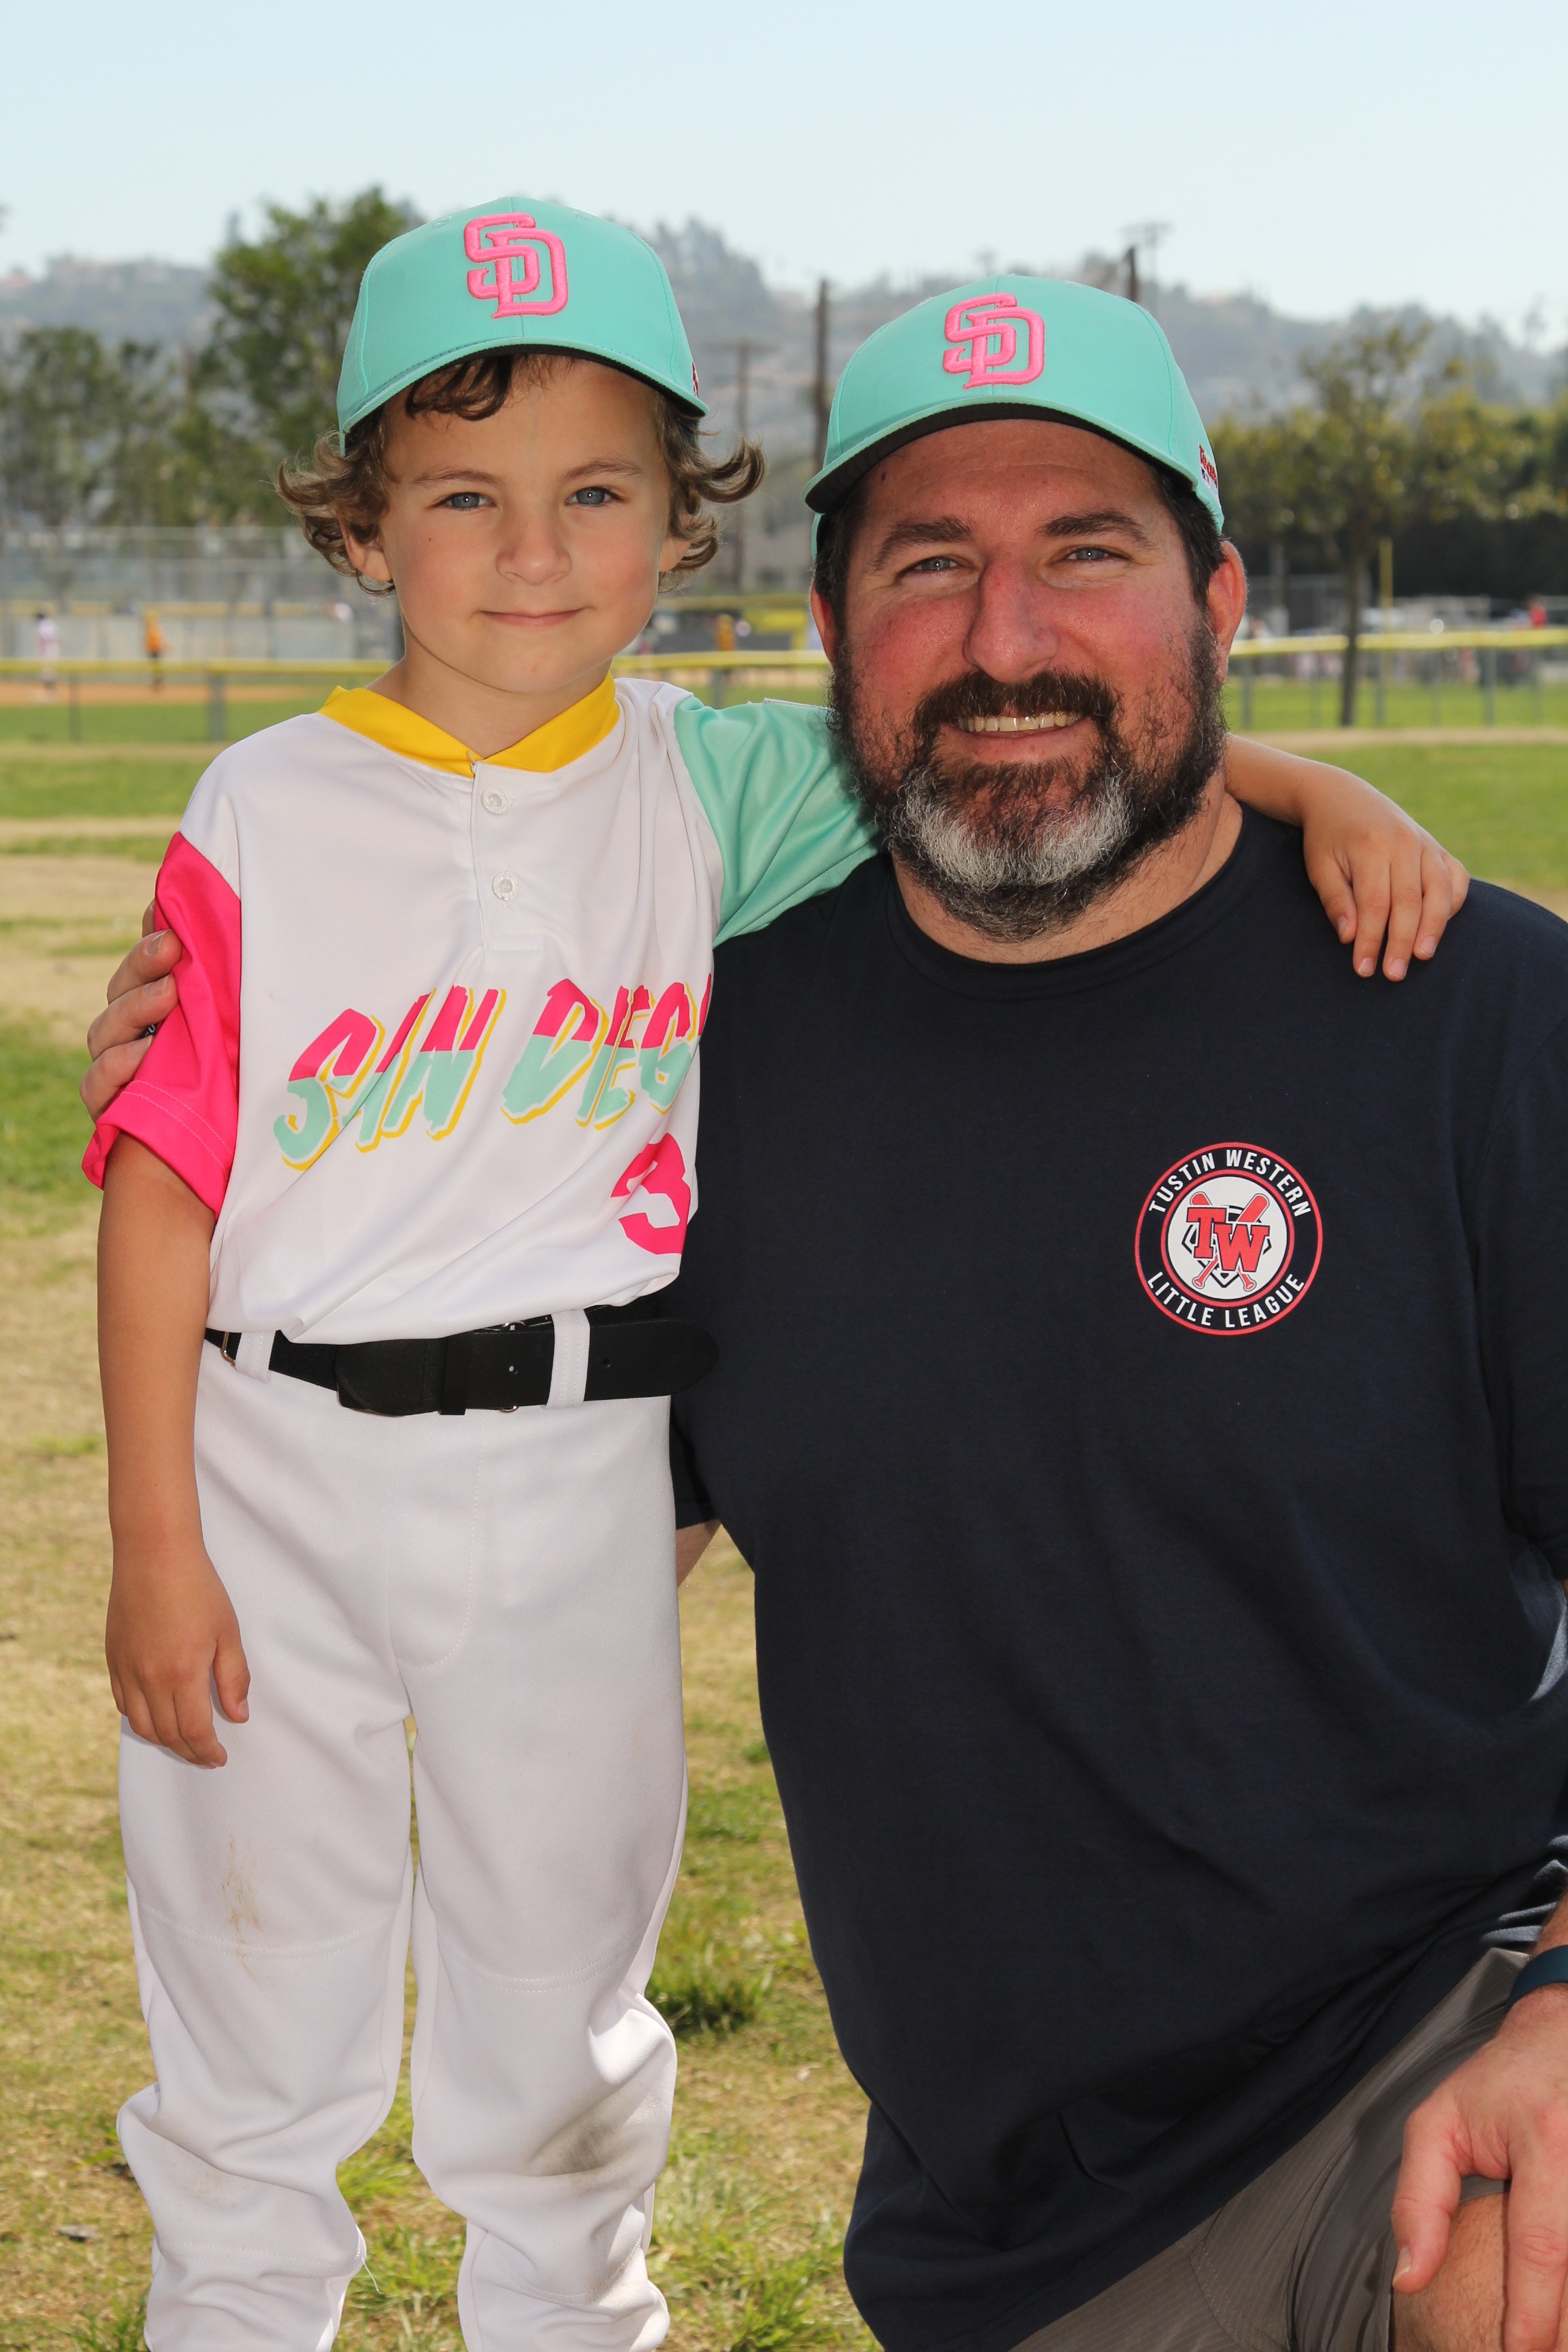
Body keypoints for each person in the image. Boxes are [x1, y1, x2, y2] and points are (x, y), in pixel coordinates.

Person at [83, 259, 1470, 2352]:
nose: (534, 551)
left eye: (595, 493)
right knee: (256, 2009)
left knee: (556, 2011)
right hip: (277, 1463)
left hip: (580, 1483)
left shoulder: (711, 785)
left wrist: (1310, 789)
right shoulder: (264, 806)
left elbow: (1037, 752)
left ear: (679, 528)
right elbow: (164, 1182)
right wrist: (154, 1542)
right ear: (362, 529)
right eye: (462, 497)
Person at [656, 283, 1568, 2352]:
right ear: (830, 631)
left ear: (1218, 602)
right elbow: (568, 1524)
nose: (1007, 641)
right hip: (1022, 2235)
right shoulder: (705, 1062)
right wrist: (229, 1092)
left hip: (1441, 2042)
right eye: (928, 567)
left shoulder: (1475, 1016)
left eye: (1086, 553)